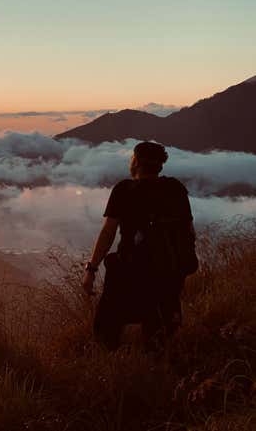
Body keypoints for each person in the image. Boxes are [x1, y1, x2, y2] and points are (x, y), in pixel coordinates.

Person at [82, 141, 197, 350]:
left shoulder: (124, 190)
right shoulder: (176, 189)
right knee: (159, 334)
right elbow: (189, 231)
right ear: (160, 165)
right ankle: (162, 374)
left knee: (106, 330)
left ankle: (113, 373)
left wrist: (91, 269)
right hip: (168, 273)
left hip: (129, 271)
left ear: (135, 162)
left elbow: (108, 233)